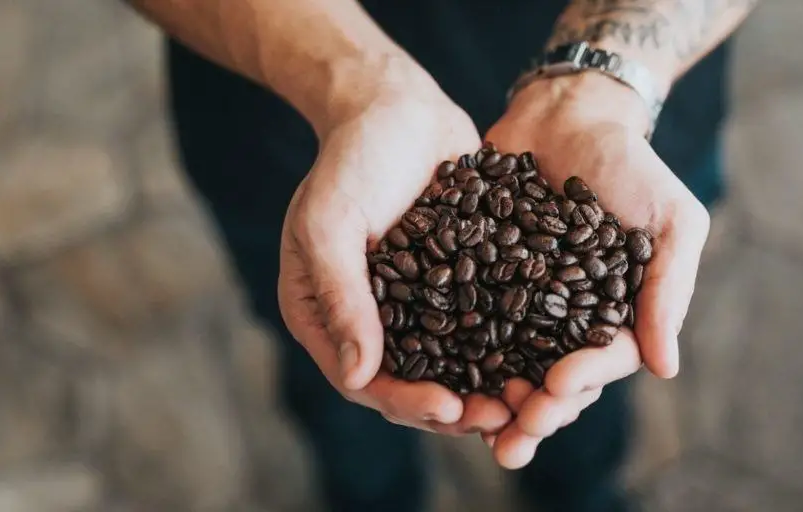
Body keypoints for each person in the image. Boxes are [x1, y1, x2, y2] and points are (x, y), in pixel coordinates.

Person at [127, 1, 757, 510]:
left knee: (586, 386)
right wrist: (356, 86)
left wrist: (605, 81)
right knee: (345, 360)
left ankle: (577, 493)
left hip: (626, 111)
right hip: (295, 97)